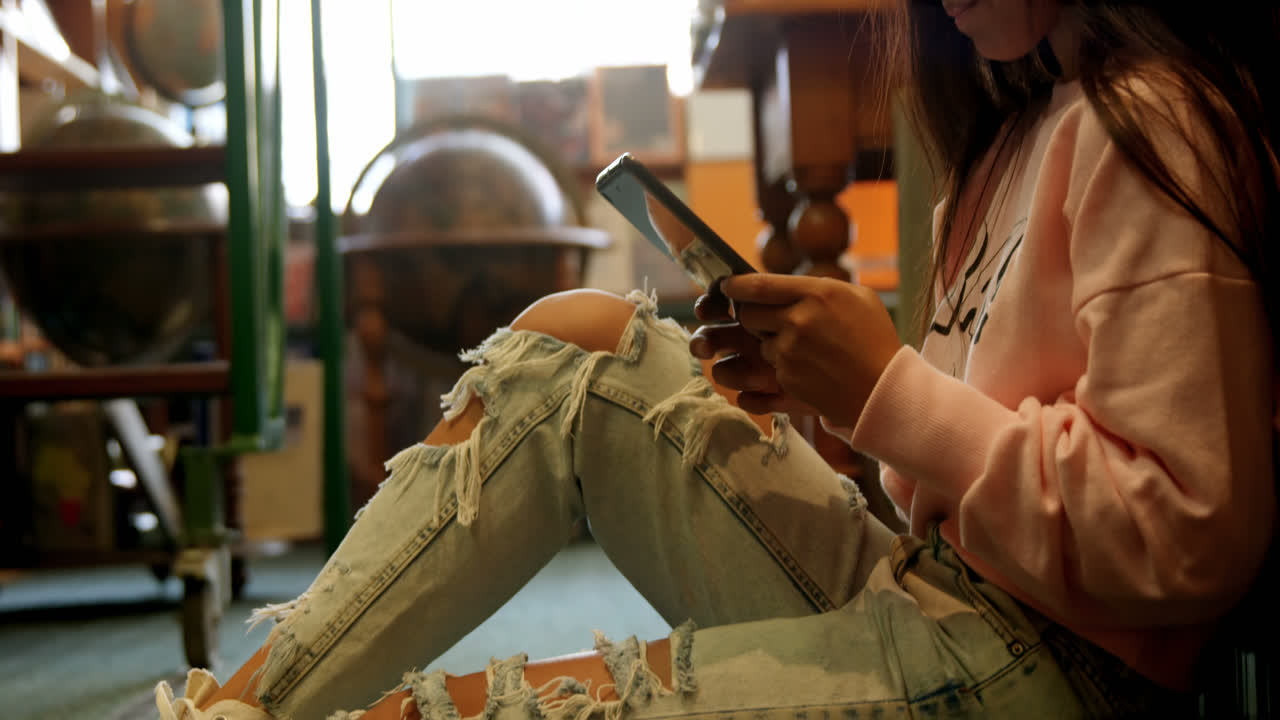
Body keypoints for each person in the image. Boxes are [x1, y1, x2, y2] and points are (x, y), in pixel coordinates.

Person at [157, 1, 1280, 718]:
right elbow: (953, 479)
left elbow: (1188, 530)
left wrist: (891, 392)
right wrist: (842, 408)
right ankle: (230, 713)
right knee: (575, 343)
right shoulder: (1011, 139)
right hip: (935, 588)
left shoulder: (1150, 126)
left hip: (1052, 673)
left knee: (455, 709)